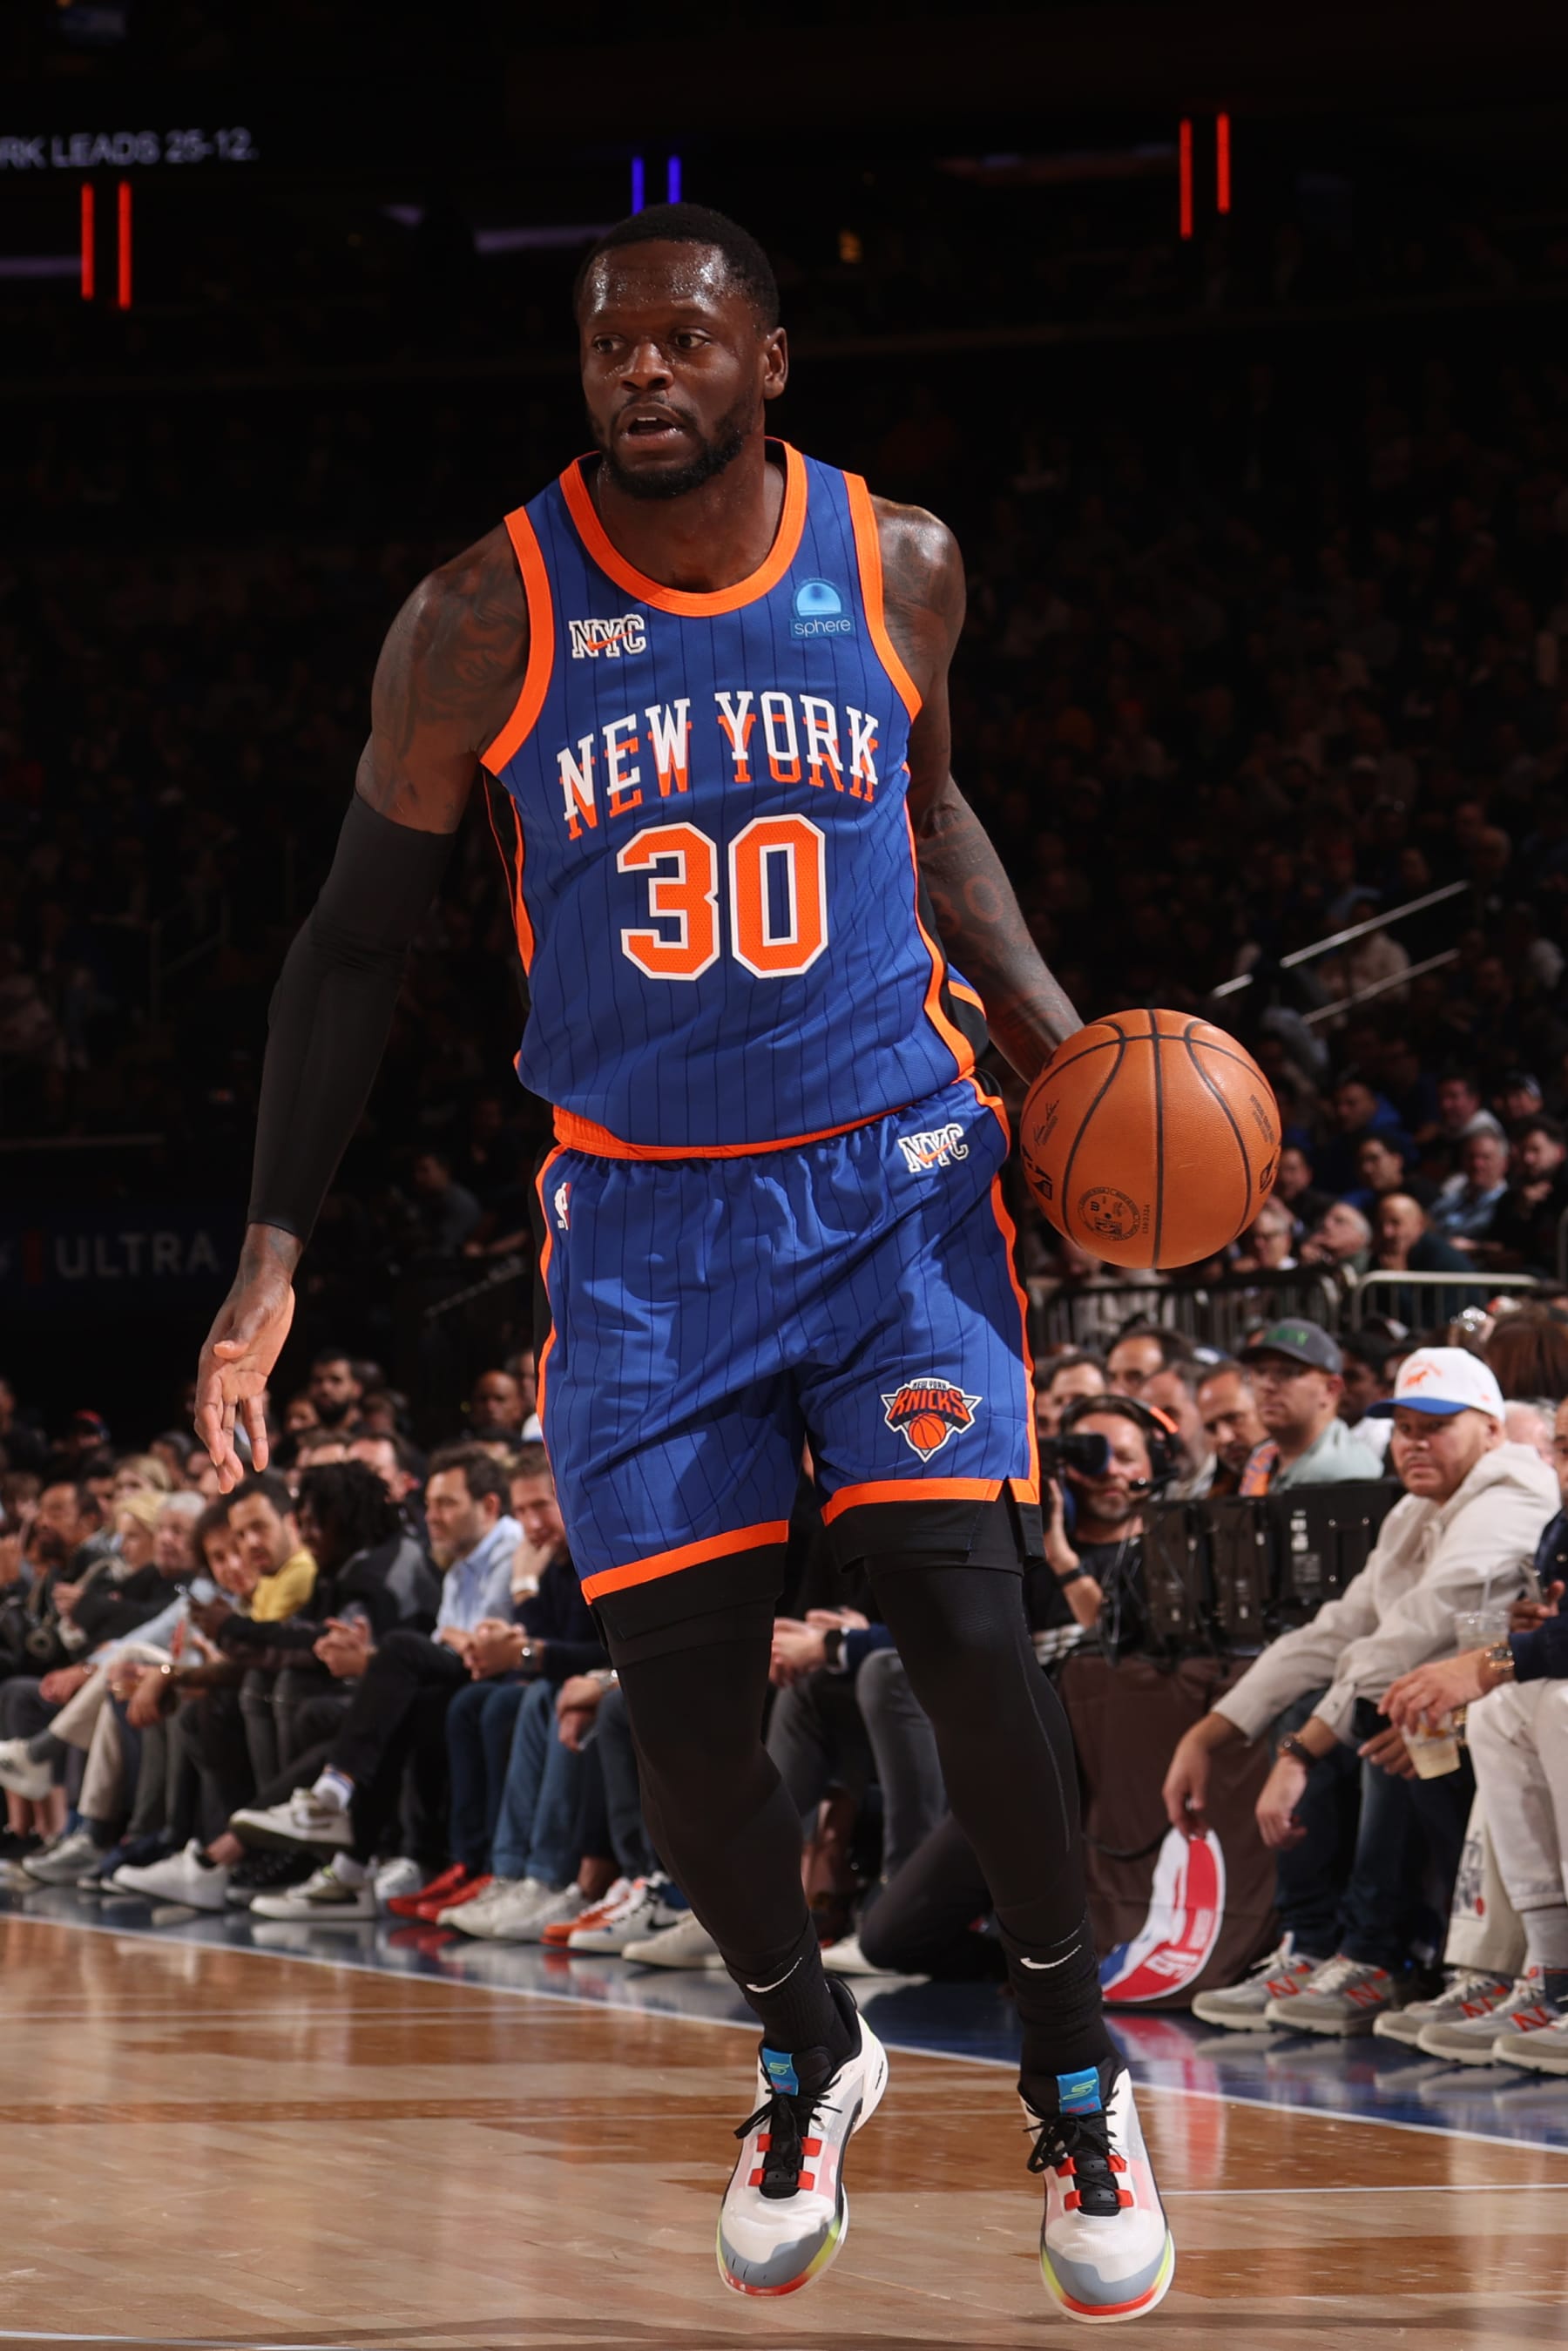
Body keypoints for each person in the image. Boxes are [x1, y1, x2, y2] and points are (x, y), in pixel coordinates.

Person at [192, 202, 1173, 2319]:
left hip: (893, 1173)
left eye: (687, 339)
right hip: (646, 1221)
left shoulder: (898, 561)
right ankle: (807, 2046)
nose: (645, 370)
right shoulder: (479, 615)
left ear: (769, 360)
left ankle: (1080, 2074)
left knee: (969, 1621)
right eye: (611, 343)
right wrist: (271, 1256)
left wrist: (1066, 1047)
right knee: (685, 1720)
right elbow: (351, 946)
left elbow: (930, 817)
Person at [1165, 1348, 1558, 2034]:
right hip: (1479, 1702)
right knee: (1350, 1706)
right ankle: (1318, 1942)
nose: (1415, 1443)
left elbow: (1409, 1634)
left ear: (1493, 1430)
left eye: (1436, 1426)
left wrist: (1301, 1751)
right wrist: (1209, 1734)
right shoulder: (1414, 1511)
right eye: (1404, 1428)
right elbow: (1335, 1630)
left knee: (1392, 1714)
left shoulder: (1513, 1492)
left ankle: (1398, 1956)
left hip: (1505, 1702)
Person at [1382, 1393, 1568, 2067]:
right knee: (1495, 1714)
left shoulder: (1509, 1503)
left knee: (1555, 1706)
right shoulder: (1557, 1521)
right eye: (1566, 1449)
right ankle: (1551, 1972)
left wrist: (1493, 1661)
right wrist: (1535, 1629)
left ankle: (1375, 1947)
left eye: (1435, 1426)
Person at [1237, 1321, 1385, 1493]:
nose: (1267, 1385)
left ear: (1331, 1389)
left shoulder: (1345, 1473)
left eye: (1287, 1372)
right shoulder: (1265, 1457)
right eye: (1260, 1371)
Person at [1195, 1359, 1268, 1496]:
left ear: (1264, 1406)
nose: (1224, 1438)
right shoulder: (1211, 1494)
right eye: (1211, 1428)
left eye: (1233, 1418)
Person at [1431, 1129, 1511, 1251]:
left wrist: (1475, 1247)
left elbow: (1508, 1249)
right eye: (1471, 1157)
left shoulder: (1509, 1205)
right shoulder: (1449, 1200)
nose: (1477, 1164)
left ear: (1504, 1164)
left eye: (1486, 1158)